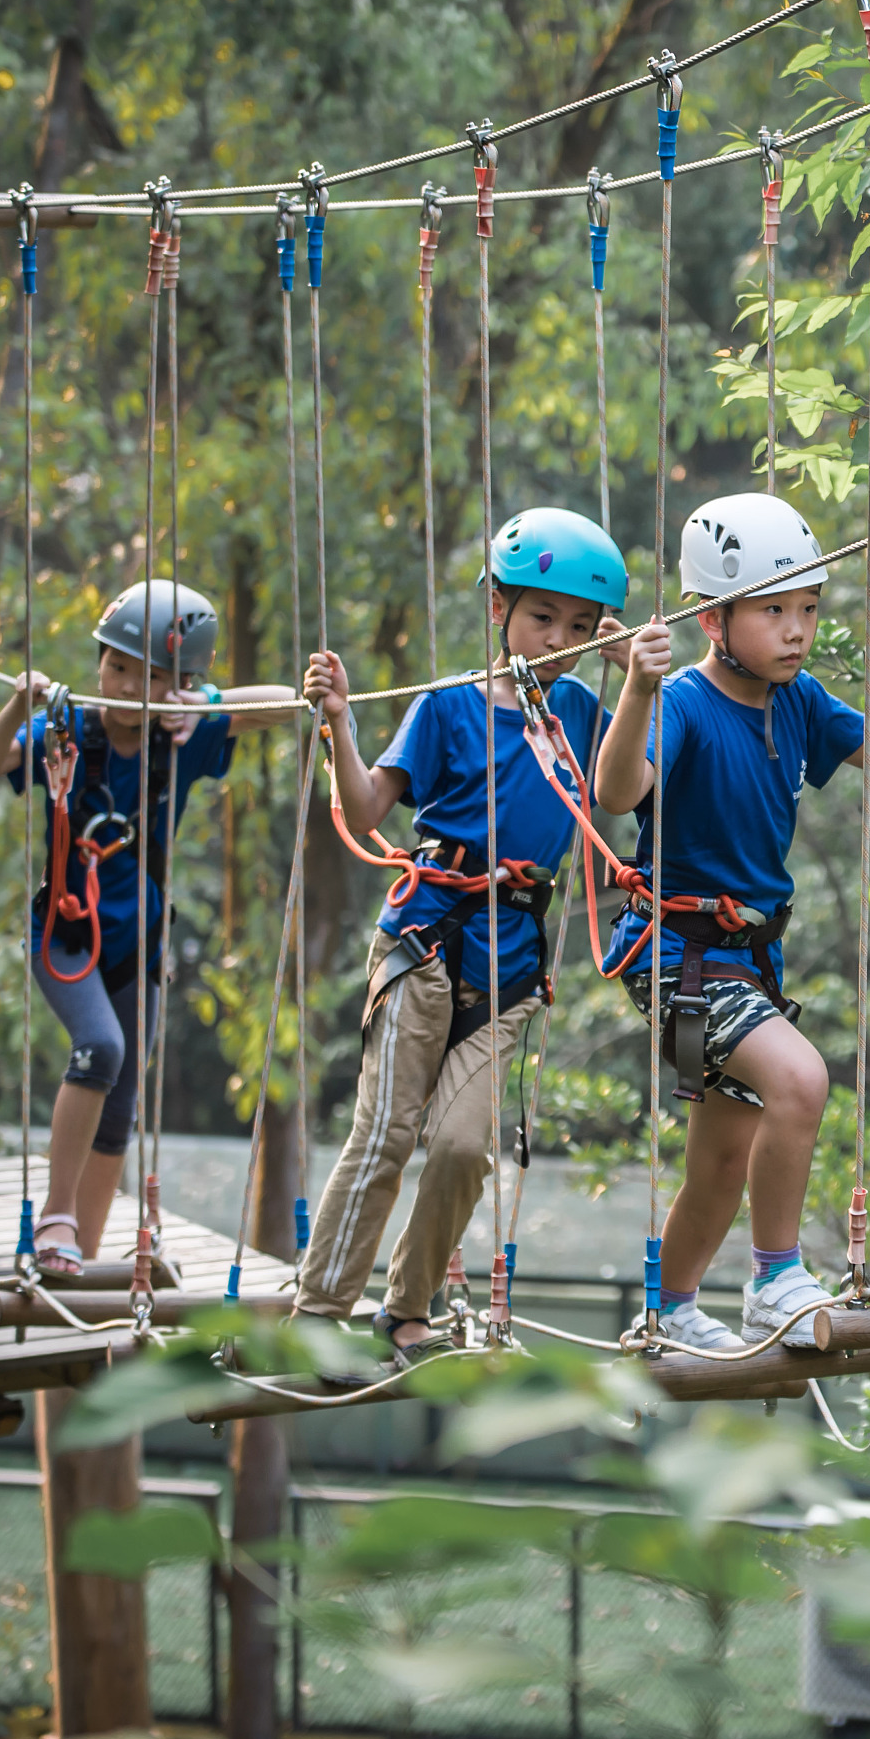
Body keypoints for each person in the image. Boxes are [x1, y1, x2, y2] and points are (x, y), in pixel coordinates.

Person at [594, 491, 870, 1353]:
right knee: (802, 1080)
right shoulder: (685, 704)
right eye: (774, 610)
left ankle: (668, 1306)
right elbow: (616, 792)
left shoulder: (799, 701)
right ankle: (776, 1277)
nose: (798, 628)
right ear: (713, 617)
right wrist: (636, 685)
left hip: (742, 963)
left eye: (807, 608)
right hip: (675, 956)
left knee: (721, 1164)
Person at [293, 508, 631, 1364]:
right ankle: (317, 1311)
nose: (558, 638)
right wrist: (337, 719)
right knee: (385, 1134)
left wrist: (641, 682)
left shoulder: (587, 715)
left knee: (462, 1145)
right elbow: (368, 806)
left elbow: (628, 791)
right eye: (541, 617)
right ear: (499, 609)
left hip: (512, 962)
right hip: (427, 941)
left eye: (580, 627)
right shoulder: (447, 706)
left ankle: (406, 1308)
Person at [0, 581, 297, 1276]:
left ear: (176, 684)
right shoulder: (65, 728)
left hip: (138, 941)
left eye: (146, 676)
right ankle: (55, 1216)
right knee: (100, 1048)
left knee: (121, 1101)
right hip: (67, 930)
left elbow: (284, 705)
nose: (122, 685)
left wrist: (199, 705)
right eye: (115, 666)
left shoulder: (181, 736)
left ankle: (77, 1253)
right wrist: (18, 704)